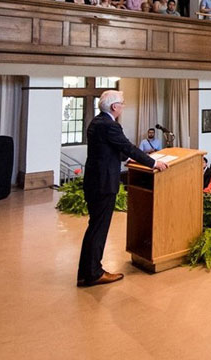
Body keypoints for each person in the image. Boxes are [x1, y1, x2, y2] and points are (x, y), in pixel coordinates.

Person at [77, 90, 167, 287]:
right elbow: (128, 147)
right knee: (99, 229)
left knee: (94, 227)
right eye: (122, 104)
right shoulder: (110, 125)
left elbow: (110, 149)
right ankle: (93, 273)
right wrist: (153, 163)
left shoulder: (96, 122)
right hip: (103, 184)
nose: (123, 107)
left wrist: (128, 159)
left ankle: (86, 272)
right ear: (114, 107)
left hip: (94, 181)